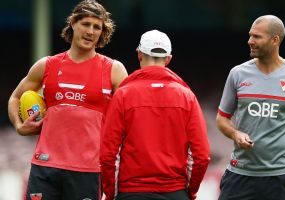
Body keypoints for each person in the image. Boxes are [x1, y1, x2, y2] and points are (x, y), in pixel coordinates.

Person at [7, 0, 128, 199]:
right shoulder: (47, 65)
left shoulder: (114, 70)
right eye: (85, 24)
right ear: (73, 23)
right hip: (45, 166)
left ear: (102, 32)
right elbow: (16, 97)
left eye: (97, 27)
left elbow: (129, 113)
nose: (90, 31)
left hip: (88, 170)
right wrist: (19, 127)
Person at [100, 29, 210, 200]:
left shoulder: (123, 95)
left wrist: (111, 193)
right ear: (168, 59)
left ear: (139, 54)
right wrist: (189, 192)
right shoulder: (187, 97)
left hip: (131, 192)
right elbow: (201, 156)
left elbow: (108, 154)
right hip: (175, 192)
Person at [216, 15, 285, 200]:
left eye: (257, 37)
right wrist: (235, 133)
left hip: (280, 179)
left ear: (275, 39)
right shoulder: (238, 74)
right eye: (250, 35)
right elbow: (222, 119)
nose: (250, 41)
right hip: (239, 176)